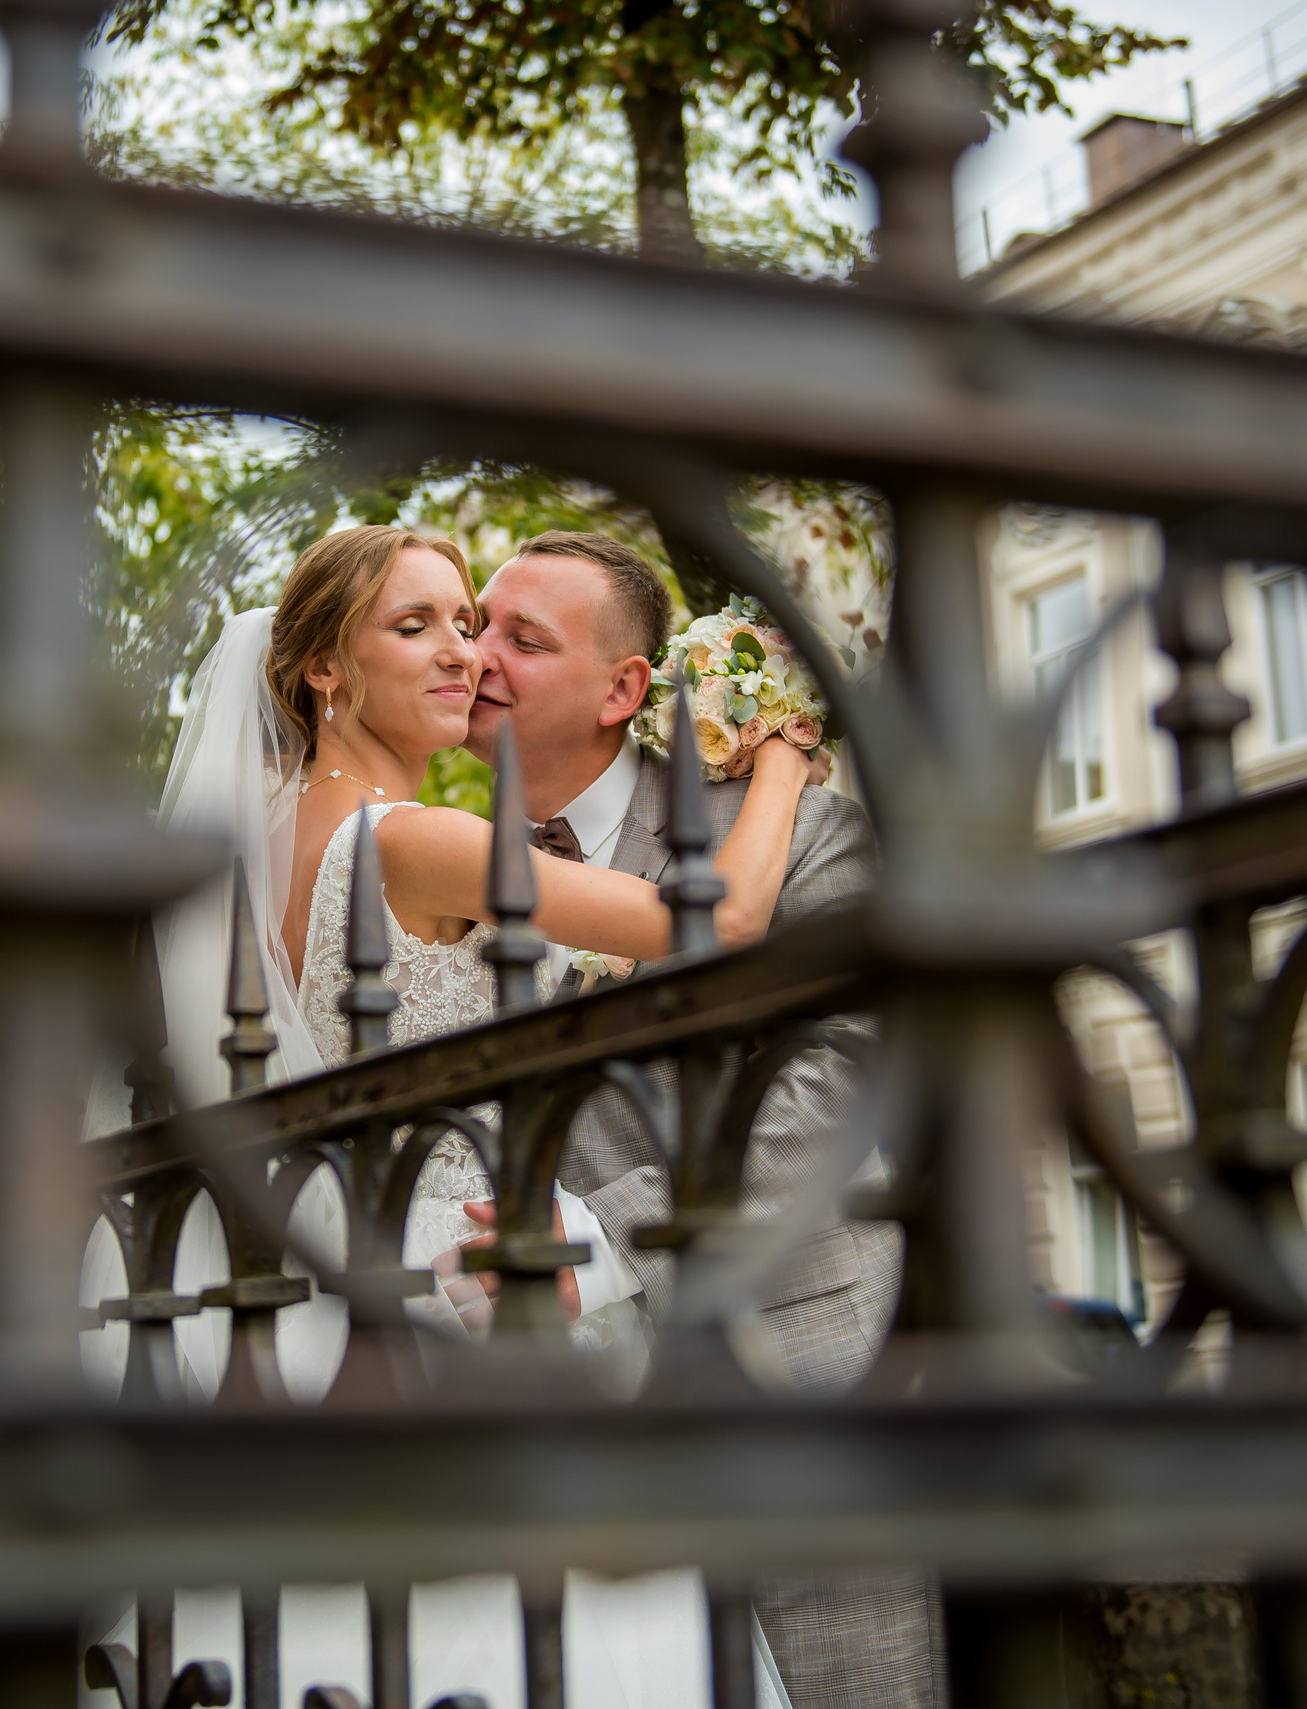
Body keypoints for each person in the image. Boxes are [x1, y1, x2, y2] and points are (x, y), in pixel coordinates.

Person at [153, 523, 815, 1709]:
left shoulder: (265, 842)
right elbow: (724, 920)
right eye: (416, 627)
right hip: (458, 1269)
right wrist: (781, 755)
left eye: (468, 623)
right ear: (321, 668)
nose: (462, 653)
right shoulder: (415, 837)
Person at [459, 532, 938, 1709]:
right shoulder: (452, 878)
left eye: (524, 638)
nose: (478, 655)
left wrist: (607, 1237)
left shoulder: (793, 831)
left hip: (787, 1359)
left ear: (626, 689)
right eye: (476, 623)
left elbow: (843, 1079)